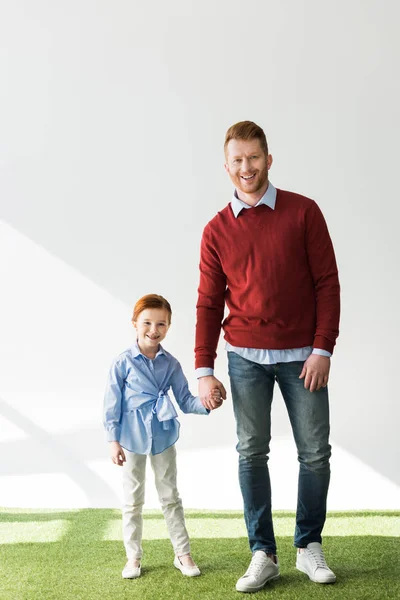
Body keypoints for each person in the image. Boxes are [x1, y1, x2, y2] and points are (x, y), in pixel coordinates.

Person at [195, 121, 340, 593]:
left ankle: (307, 546)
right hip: (245, 358)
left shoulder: (304, 213)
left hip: (304, 359)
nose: (246, 168)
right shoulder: (217, 230)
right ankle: (264, 553)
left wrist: (323, 348)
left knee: (315, 454)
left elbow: (327, 284)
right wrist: (203, 368)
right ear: (226, 167)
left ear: (268, 160)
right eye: (237, 160)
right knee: (251, 453)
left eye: (253, 158)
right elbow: (208, 302)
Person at [104, 293, 220, 580]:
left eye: (161, 324)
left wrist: (207, 402)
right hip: (130, 439)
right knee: (132, 500)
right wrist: (113, 440)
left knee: (170, 497)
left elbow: (185, 399)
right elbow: (112, 404)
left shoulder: (171, 364)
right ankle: (133, 557)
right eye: (147, 323)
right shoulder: (122, 363)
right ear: (135, 323)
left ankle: (183, 554)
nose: (153, 330)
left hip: (163, 436)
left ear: (168, 327)